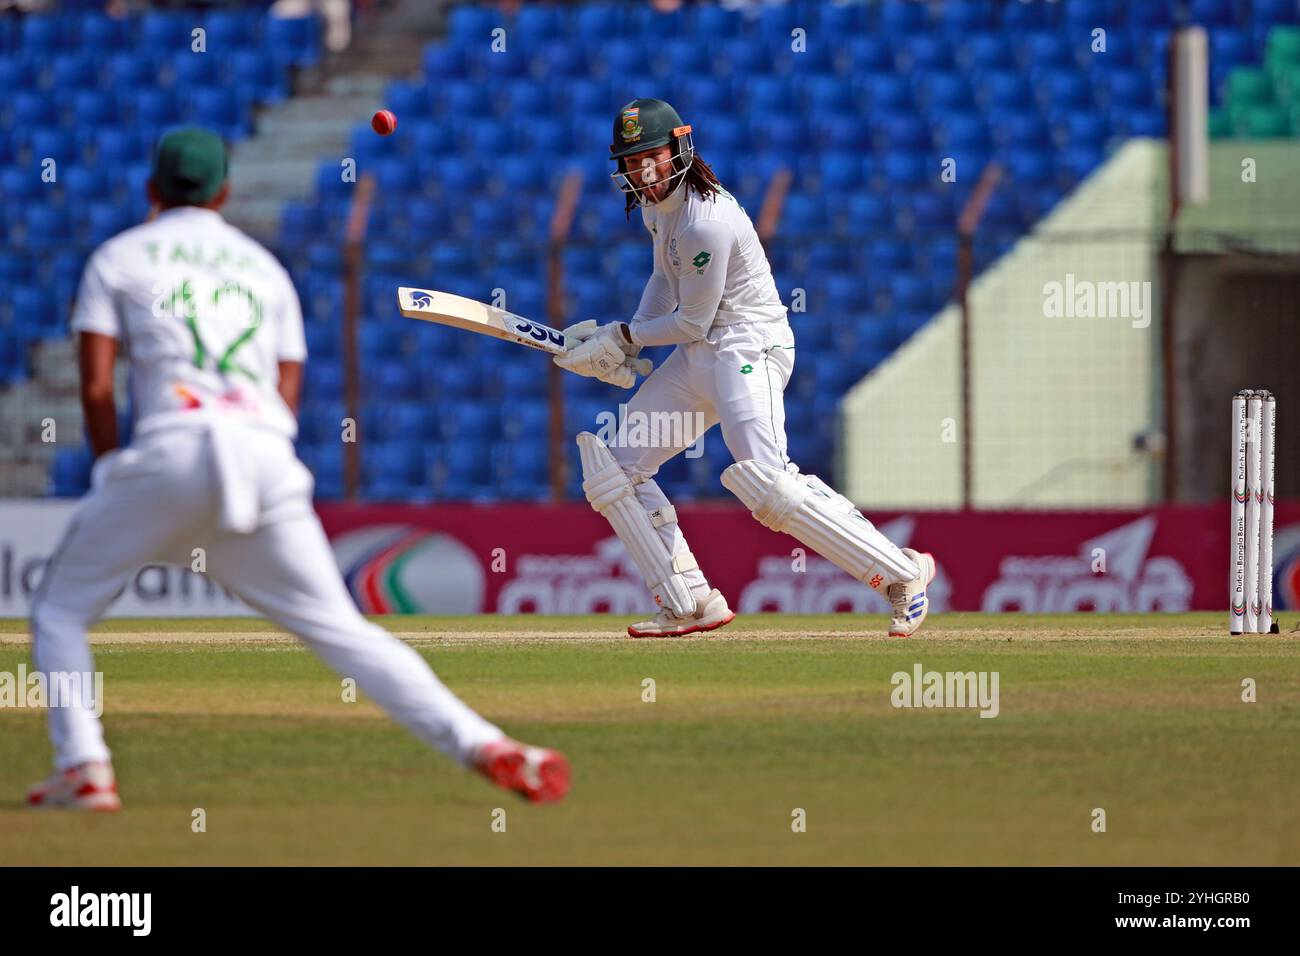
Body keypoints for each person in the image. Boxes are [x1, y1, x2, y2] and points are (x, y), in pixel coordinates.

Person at [26, 127, 568, 810]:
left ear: (151, 189)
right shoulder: (263, 268)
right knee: (343, 630)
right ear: (225, 191)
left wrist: (113, 469)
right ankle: (482, 740)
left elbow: (99, 387)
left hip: (172, 449)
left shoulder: (118, 257)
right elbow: (286, 387)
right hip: (262, 458)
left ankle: (85, 767)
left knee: (59, 611)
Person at [556, 99, 936, 639]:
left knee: (767, 486)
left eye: (653, 157)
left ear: (680, 149)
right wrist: (628, 345)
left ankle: (902, 574)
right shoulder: (656, 210)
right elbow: (665, 280)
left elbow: (691, 320)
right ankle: (688, 601)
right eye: (633, 160)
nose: (644, 172)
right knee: (615, 469)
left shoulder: (706, 222)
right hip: (700, 355)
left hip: (747, 348)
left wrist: (622, 336)